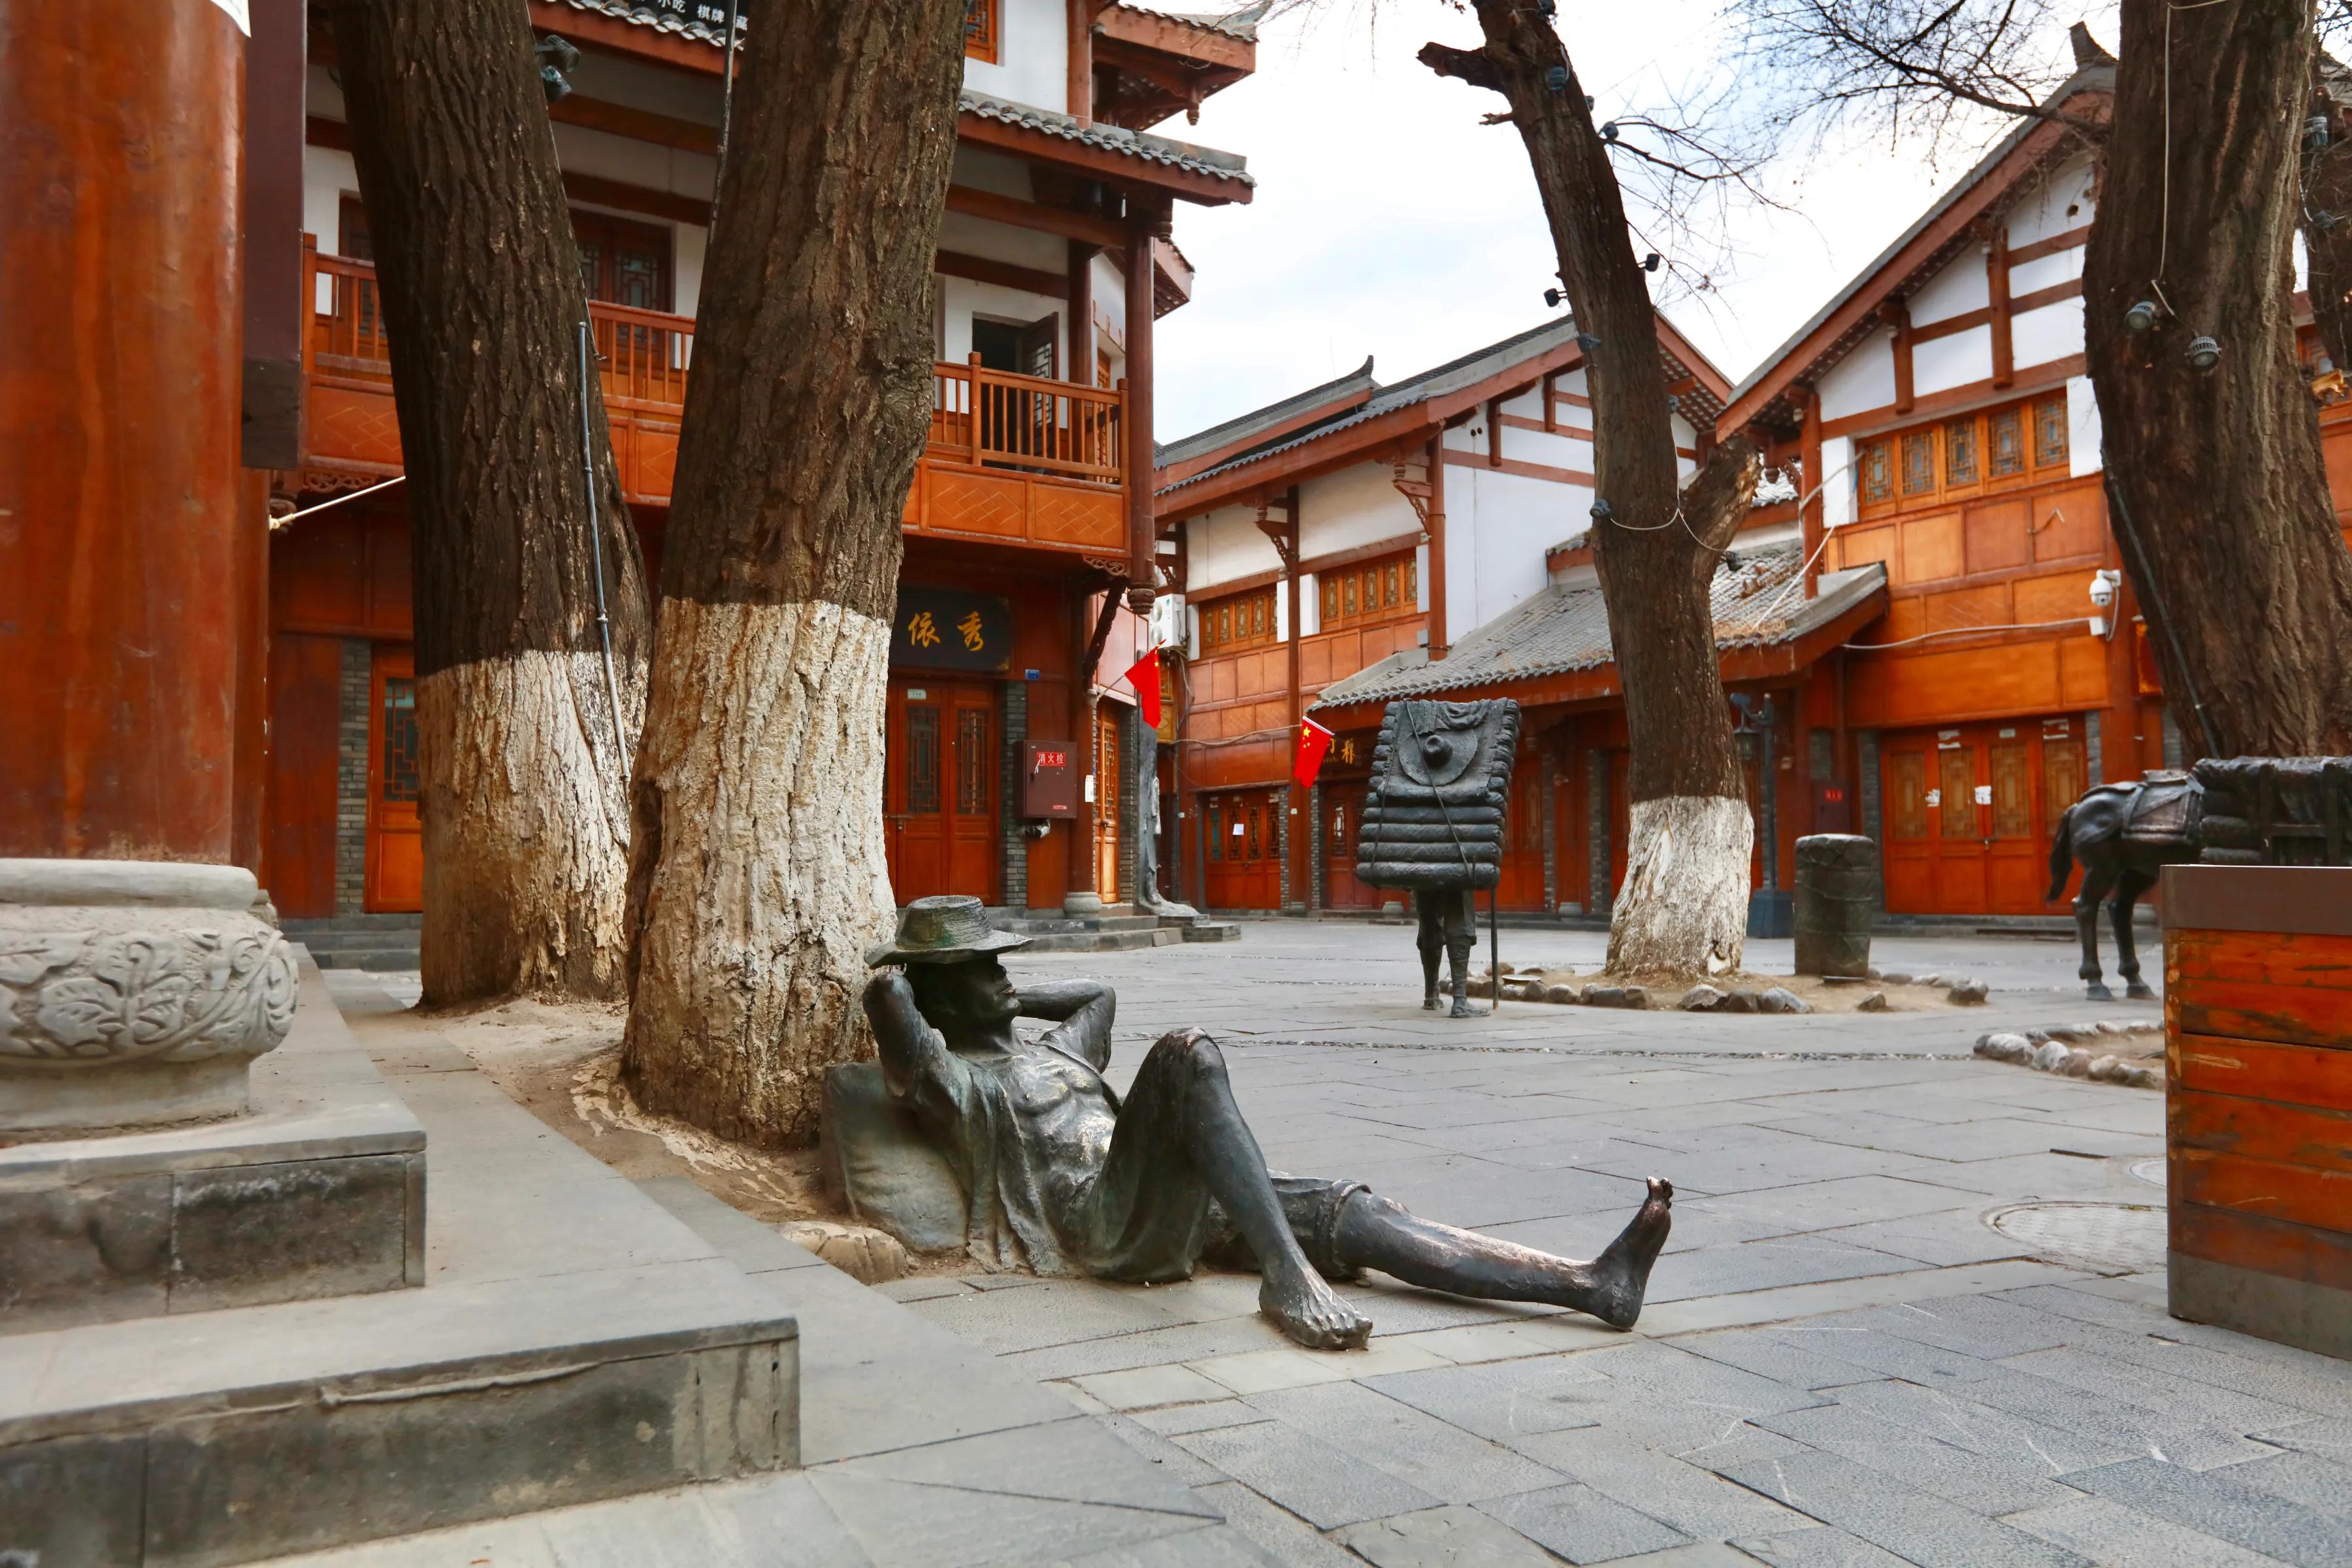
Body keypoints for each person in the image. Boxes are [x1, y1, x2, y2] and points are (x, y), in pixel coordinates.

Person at [860, 896, 1674, 1351]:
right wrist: (920, 972)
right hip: (1101, 1226)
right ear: (940, 990)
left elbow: (1097, 997)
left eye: (1003, 961)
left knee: (1360, 1215)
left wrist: (1003, 993)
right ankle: (1287, 1279)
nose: (1003, 976)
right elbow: (889, 1005)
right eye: (982, 968)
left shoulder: (1060, 1053)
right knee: (1186, 1055)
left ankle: (1590, 1285)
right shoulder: (960, 1083)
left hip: (1185, 1201)